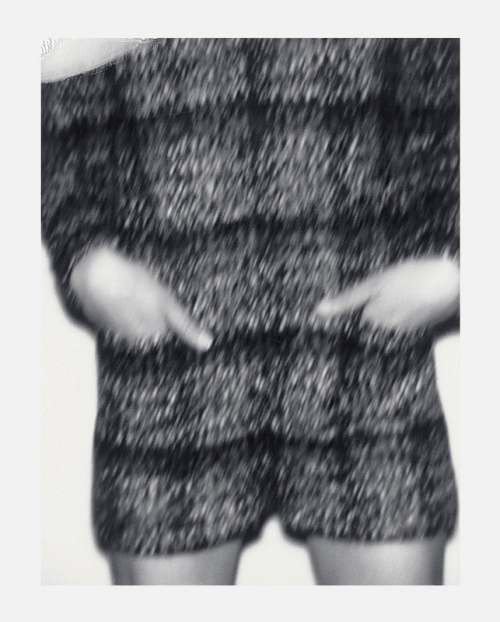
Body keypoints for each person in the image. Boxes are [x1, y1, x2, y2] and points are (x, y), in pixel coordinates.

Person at [41, 38, 460, 585]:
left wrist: (457, 261)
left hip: (364, 352)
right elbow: (49, 86)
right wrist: (86, 258)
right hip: (170, 351)